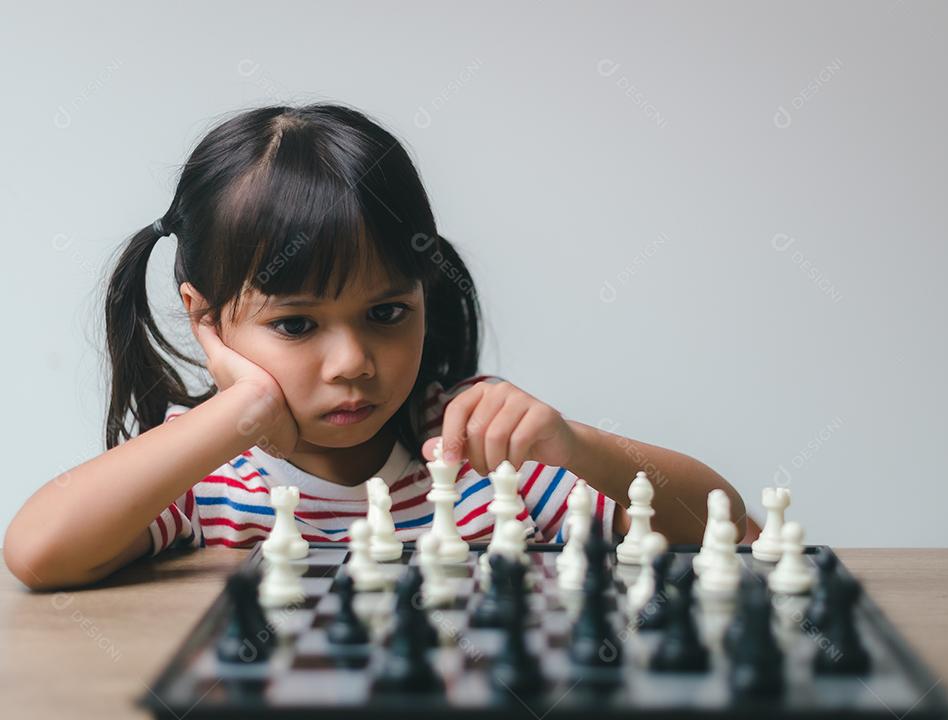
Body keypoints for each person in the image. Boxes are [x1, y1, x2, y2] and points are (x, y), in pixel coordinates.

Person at [3, 103, 745, 591]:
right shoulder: (206, 477)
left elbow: (729, 526)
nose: (353, 362)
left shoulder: (478, 460)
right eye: (296, 325)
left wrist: (573, 446)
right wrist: (246, 408)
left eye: (388, 311)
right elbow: (37, 553)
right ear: (206, 317)